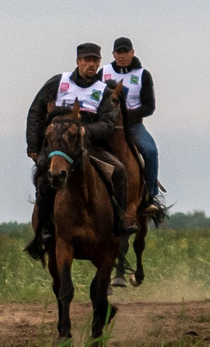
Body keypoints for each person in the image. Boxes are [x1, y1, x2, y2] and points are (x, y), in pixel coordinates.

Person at [24, 42, 136, 260]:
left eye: (95, 60)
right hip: (58, 146)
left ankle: (119, 223)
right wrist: (33, 147)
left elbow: (107, 123)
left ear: (99, 63)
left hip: (89, 147)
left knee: (120, 170)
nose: (91, 64)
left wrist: (84, 130)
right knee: (43, 177)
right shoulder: (58, 82)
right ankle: (44, 228)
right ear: (78, 61)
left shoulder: (102, 91)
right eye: (86, 60)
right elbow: (35, 112)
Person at [102, 36, 161, 210]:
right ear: (113, 54)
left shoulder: (143, 75)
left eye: (125, 52)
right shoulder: (104, 73)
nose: (122, 56)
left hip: (133, 126)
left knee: (150, 151)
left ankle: (151, 195)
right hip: (106, 126)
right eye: (119, 52)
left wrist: (128, 116)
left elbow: (149, 106)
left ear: (132, 52)